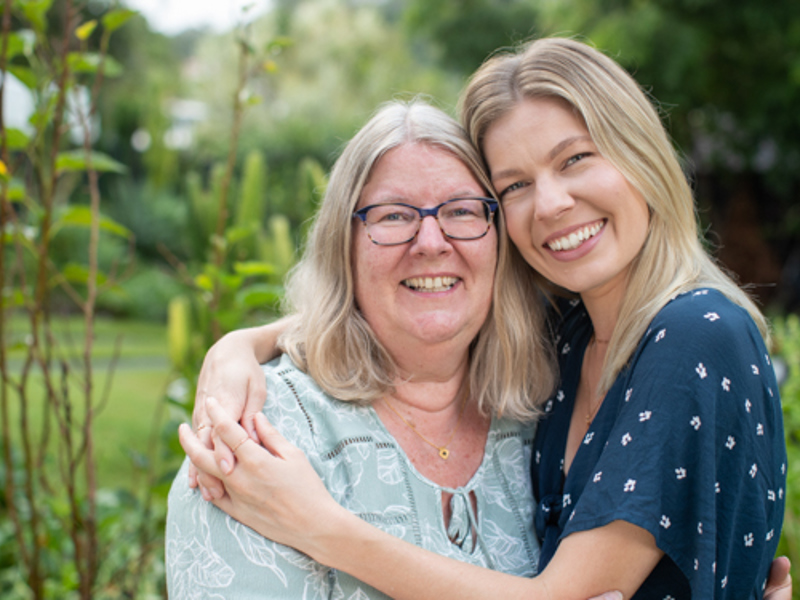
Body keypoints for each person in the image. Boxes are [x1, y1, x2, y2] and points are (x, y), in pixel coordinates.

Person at [183, 37, 790, 599]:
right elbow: (412, 308)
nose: (550, 204)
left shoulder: (696, 334)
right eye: (515, 185)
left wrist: (318, 526)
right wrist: (238, 347)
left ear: (641, 155)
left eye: (576, 158)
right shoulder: (569, 338)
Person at [167, 99, 560, 599]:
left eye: (461, 210)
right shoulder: (261, 434)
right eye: (394, 216)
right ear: (343, 245)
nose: (431, 242)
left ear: (500, 240)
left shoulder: (549, 414)